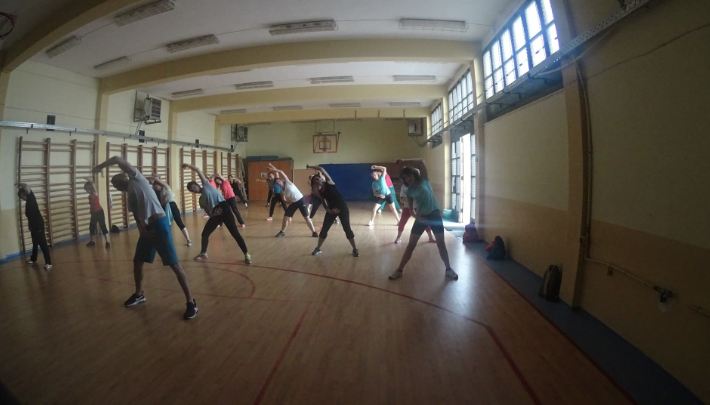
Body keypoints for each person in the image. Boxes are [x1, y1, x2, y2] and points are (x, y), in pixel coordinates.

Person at [92, 156, 198, 320]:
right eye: (114, 186)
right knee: (138, 261)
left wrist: (100, 166)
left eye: (115, 184)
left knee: (175, 265)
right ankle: (139, 294)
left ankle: (191, 303)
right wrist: (143, 232)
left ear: (122, 180)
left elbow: (117, 159)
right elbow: (137, 216)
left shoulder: (137, 178)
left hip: (160, 225)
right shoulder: (130, 196)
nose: (116, 187)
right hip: (148, 229)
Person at [388, 160, 458, 281]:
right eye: (405, 178)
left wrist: (404, 162)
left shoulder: (424, 180)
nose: (408, 179)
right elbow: (411, 210)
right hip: (422, 218)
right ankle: (399, 270)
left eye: (409, 176)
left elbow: (421, 162)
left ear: (413, 174)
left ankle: (448, 269)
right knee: (411, 245)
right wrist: (417, 217)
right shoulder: (409, 191)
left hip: (435, 216)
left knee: (441, 244)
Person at [183, 163, 252, 264]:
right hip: (216, 213)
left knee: (235, 233)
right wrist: (213, 214)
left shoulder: (206, 185)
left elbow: (197, 169)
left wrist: (187, 165)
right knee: (205, 233)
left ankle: (246, 254)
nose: (194, 190)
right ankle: (203, 253)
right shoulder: (201, 200)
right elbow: (209, 213)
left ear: (197, 185)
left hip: (224, 208)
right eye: (192, 190)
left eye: (194, 187)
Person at [307, 165, 359, 257]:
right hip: (331, 210)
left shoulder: (330, 182)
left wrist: (310, 166)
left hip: (342, 208)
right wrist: (328, 210)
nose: (318, 180)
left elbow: (321, 169)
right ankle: (318, 248)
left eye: (318, 178)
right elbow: (323, 200)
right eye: (315, 180)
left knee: (347, 229)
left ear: (321, 179)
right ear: (314, 183)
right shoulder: (319, 191)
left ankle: (355, 249)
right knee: (324, 230)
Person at [267, 163, 318, 238]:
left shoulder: (288, 182)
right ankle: (282, 232)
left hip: (301, 200)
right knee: (285, 217)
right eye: (277, 183)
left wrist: (273, 169)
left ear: (282, 181)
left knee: (307, 218)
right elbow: (287, 199)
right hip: (294, 203)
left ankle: (314, 232)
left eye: (279, 181)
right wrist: (286, 201)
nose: (278, 182)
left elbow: (280, 172)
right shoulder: (282, 191)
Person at [18, 184, 52, 270]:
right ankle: (33, 259)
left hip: (38, 226)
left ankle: (48, 263)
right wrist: (30, 226)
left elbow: (27, 187)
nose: (21, 199)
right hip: (33, 226)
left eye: (21, 197)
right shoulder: (28, 201)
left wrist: (21, 185)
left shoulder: (31, 198)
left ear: (24, 194)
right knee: (35, 243)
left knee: (43, 244)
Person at [150, 176, 192, 246]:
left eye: (156, 185)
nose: (155, 187)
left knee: (179, 223)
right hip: (165, 208)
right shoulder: (158, 192)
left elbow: (159, 182)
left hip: (172, 206)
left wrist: (155, 178)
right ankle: (167, 241)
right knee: (166, 225)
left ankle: (188, 240)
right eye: (154, 186)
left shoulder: (166, 187)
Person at [394, 177, 435, 244]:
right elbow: (401, 199)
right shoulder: (404, 186)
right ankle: (398, 238)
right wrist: (409, 199)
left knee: (425, 222)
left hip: (418, 208)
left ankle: (430, 237)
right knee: (402, 222)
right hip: (407, 207)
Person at [83, 180, 111, 248]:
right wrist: (91, 211)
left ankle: (107, 242)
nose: (86, 191)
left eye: (86, 189)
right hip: (94, 213)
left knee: (103, 226)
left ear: (90, 188)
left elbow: (93, 186)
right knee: (91, 227)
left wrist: (89, 181)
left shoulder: (95, 194)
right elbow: (92, 205)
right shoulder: (90, 195)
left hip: (99, 212)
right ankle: (92, 241)